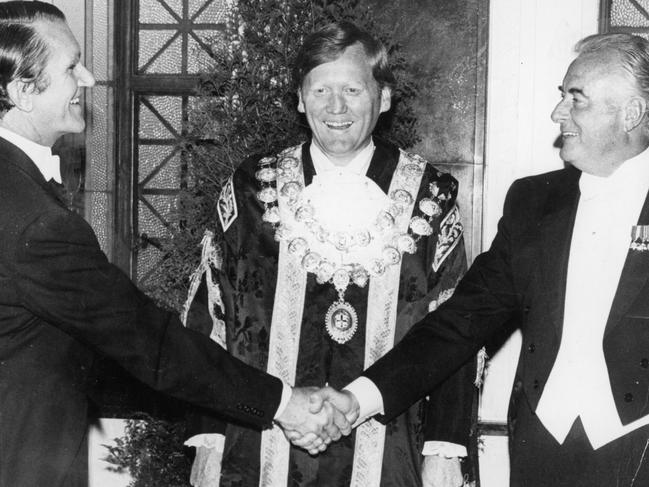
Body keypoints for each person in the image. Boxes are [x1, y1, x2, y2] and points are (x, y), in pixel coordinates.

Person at [0, 3, 350, 486]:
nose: (88, 78)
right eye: (70, 66)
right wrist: (284, 403)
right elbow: (146, 338)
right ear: (22, 91)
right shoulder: (35, 222)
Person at [316, 32, 649, 487]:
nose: (557, 114)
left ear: (631, 113)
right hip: (540, 451)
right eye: (560, 97)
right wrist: (360, 398)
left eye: (577, 99)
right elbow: (460, 321)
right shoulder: (534, 202)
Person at [184, 21, 477, 487]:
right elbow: (211, 316)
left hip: (390, 451)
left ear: (383, 98)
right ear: (300, 100)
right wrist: (208, 440)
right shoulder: (250, 190)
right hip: (261, 450)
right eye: (320, 90)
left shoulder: (432, 196)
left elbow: (455, 330)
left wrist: (445, 447)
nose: (335, 107)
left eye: (352, 90)